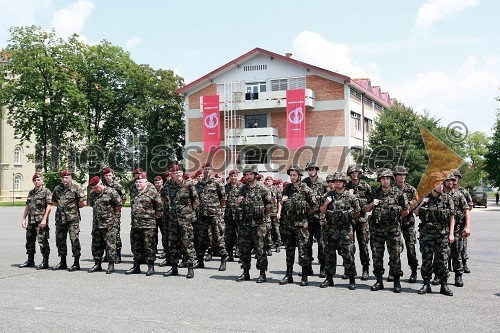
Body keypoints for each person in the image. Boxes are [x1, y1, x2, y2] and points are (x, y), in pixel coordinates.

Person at [364, 168, 409, 293]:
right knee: (377, 256)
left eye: (387, 178)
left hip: (393, 230)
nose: (385, 181)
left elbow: (406, 210)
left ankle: (396, 281)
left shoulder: (399, 193)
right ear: (380, 180)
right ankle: (379, 280)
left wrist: (396, 218)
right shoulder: (374, 193)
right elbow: (366, 209)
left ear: (391, 180)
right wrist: (372, 204)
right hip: (377, 230)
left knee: (395, 256)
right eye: (383, 179)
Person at [414, 172, 455, 296]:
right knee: (426, 259)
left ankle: (444, 285)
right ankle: (426, 283)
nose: (441, 186)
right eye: (438, 183)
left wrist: (451, 233)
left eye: (441, 183)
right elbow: (415, 212)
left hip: (442, 234)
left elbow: (452, 217)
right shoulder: (424, 198)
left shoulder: (447, 198)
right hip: (427, 234)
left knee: (443, 260)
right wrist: (422, 203)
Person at [319, 172, 360, 290]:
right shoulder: (328, 195)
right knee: (329, 255)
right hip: (331, 230)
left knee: (348, 254)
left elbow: (357, 212)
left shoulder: (350, 196)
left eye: (340, 181)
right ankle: (329, 278)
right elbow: (321, 211)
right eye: (335, 181)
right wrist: (326, 203)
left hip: (345, 230)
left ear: (344, 183)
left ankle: (352, 279)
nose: (337, 183)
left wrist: (347, 217)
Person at [277, 165, 316, 286]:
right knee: (289, 251)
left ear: (299, 175)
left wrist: (304, 213)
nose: (292, 177)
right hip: (288, 225)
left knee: (303, 251)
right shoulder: (287, 188)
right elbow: (281, 202)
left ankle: (304, 276)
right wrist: (280, 209)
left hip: (301, 226)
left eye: (294, 175)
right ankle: (288, 275)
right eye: (291, 175)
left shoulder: (306, 189)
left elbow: (314, 206)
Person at [235, 165, 273, 283]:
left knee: (260, 249)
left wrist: (261, 216)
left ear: (255, 175)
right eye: (247, 174)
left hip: (259, 224)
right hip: (245, 224)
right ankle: (245, 272)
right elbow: (238, 204)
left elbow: (270, 206)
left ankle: (262, 273)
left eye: (251, 174)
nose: (249, 176)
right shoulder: (243, 189)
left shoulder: (263, 188)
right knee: (244, 249)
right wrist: (237, 203)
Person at [163, 164, 198, 278]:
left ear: (182, 173)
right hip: (173, 219)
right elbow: (162, 196)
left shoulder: (188, 185)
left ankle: (190, 267)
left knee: (187, 243)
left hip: (186, 219)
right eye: (175, 172)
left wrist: (189, 212)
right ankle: (174, 267)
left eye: (179, 172)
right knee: (173, 243)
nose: (177, 174)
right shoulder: (168, 184)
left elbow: (196, 201)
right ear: (171, 174)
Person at [126, 172, 163, 276]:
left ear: (146, 182)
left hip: (148, 225)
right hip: (135, 224)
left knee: (149, 246)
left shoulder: (152, 192)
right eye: (137, 182)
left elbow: (159, 208)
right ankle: (136, 266)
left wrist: (151, 218)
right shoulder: (134, 191)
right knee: (136, 246)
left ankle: (151, 267)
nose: (138, 184)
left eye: (140, 182)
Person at [195, 163, 228, 271]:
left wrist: (221, 210)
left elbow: (223, 198)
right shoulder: (199, 184)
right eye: (205, 169)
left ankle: (223, 259)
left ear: (212, 171)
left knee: (218, 237)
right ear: (203, 170)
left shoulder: (218, 183)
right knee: (202, 238)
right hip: (203, 215)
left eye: (209, 169)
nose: (207, 171)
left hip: (215, 214)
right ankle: (200, 260)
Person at [52, 170, 86, 271]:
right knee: (60, 241)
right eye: (63, 178)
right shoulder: (57, 189)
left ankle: (76, 263)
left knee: (74, 240)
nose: (65, 179)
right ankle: (63, 262)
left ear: (70, 178)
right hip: (60, 219)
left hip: (72, 220)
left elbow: (82, 203)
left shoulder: (76, 188)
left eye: (67, 177)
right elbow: (54, 202)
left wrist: (72, 209)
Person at [88, 176, 122, 274]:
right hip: (96, 223)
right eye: (93, 188)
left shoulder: (111, 192)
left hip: (109, 223)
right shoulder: (92, 194)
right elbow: (92, 205)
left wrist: (111, 216)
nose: (95, 189)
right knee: (96, 244)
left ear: (101, 183)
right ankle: (97, 263)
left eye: (96, 187)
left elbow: (118, 205)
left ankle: (111, 265)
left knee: (110, 244)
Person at [442, 171, 470, 287]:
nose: (451, 182)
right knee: (441, 254)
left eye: (452, 180)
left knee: (456, 253)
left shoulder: (459, 194)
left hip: (457, 228)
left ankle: (458, 275)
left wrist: (468, 226)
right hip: (441, 229)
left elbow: (466, 210)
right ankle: (440, 275)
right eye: (448, 180)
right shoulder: (439, 193)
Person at [19, 173, 52, 269]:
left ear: (42, 181)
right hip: (31, 221)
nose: (37, 182)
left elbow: (49, 206)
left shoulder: (46, 191)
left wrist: (45, 219)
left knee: (42, 241)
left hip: (40, 221)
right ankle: (30, 260)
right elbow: (28, 206)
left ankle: (45, 261)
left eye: (38, 180)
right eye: (35, 180)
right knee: (29, 240)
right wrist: (24, 218)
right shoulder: (31, 192)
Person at [393, 166, 419, 283]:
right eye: (400, 175)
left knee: (411, 247)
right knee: (394, 249)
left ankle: (414, 271)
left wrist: (409, 208)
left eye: (404, 175)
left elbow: (416, 204)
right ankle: (393, 271)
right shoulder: (391, 189)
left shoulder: (411, 189)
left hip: (408, 222)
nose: (402, 177)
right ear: (395, 176)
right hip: (394, 223)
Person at [302, 160, 328, 278]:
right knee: (307, 244)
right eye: (309, 169)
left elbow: (327, 200)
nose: (311, 171)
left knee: (322, 244)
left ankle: (323, 267)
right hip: (307, 218)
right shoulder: (304, 183)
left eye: (313, 169)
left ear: (317, 170)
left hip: (320, 218)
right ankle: (308, 267)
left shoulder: (323, 183)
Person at [346, 164, 372, 280]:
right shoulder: (346, 187)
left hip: (362, 220)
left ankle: (365, 269)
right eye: (352, 173)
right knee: (349, 247)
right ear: (350, 174)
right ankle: (350, 270)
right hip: (349, 221)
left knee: (363, 246)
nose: (354, 174)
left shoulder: (365, 186)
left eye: (356, 172)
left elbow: (371, 203)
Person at [101, 167, 126, 263]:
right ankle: (108, 254)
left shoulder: (117, 186)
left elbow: (123, 199)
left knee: (115, 234)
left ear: (113, 175)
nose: (108, 177)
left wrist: (117, 209)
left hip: (115, 213)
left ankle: (118, 254)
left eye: (109, 175)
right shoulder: (102, 185)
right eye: (106, 175)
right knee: (105, 234)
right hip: (104, 214)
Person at [452, 169, 473, 274]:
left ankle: (464, 263)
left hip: (461, 222)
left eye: (456, 177)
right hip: (450, 223)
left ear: (459, 178)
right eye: (453, 177)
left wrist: (463, 214)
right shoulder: (446, 190)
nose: (455, 178)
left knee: (462, 245)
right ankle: (448, 265)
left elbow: (470, 205)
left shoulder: (463, 191)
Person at [224, 169, 242, 262]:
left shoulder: (242, 187)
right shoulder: (226, 187)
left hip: (239, 214)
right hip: (229, 214)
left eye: (235, 176)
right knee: (229, 235)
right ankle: (230, 253)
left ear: (237, 176)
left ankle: (240, 252)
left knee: (240, 234)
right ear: (229, 177)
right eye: (231, 176)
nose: (233, 178)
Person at [264, 176, 282, 254]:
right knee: (267, 230)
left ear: (272, 182)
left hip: (274, 212)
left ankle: (277, 244)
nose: (268, 182)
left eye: (270, 180)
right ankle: (269, 246)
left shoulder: (277, 190)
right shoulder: (263, 189)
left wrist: (279, 213)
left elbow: (279, 202)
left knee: (276, 229)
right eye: (267, 181)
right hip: (267, 213)